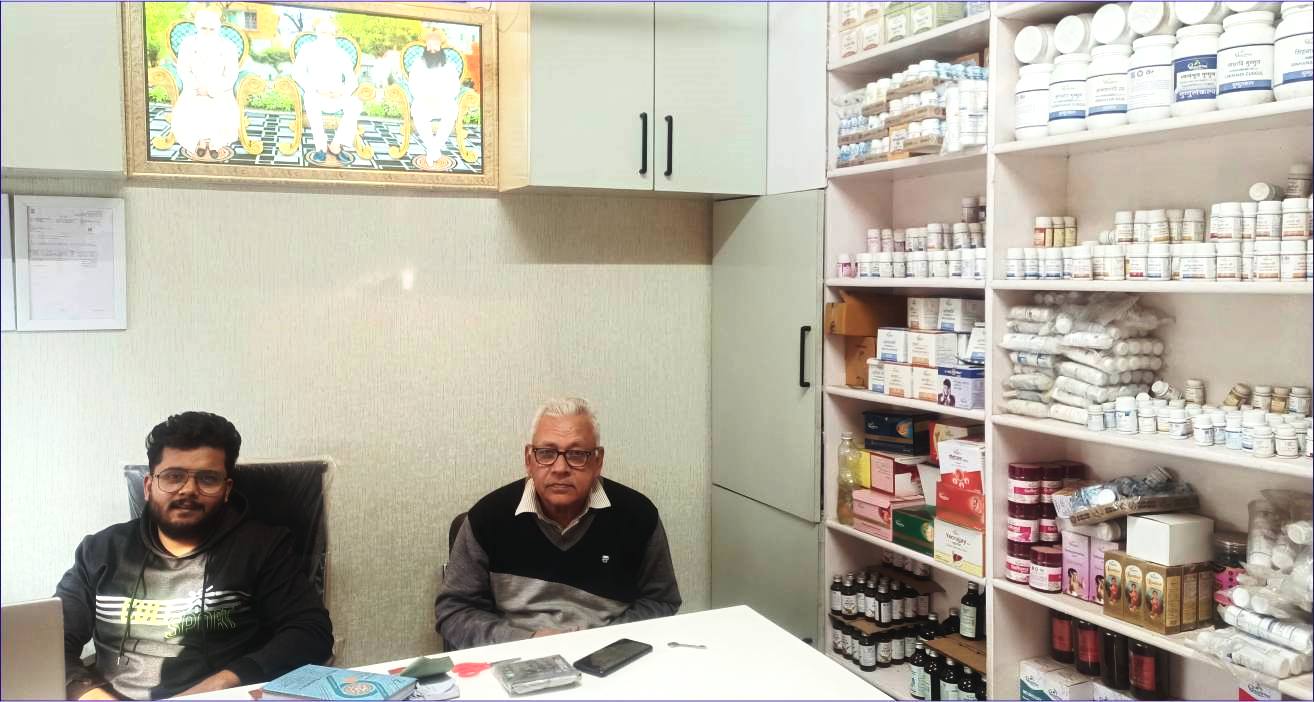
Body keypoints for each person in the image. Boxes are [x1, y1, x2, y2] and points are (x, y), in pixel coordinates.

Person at [56, 412, 333, 700]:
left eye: (208, 478)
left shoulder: (262, 547)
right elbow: (50, 640)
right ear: (149, 486)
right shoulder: (100, 550)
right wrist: (88, 693)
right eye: (173, 476)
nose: (188, 490)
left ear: (226, 490)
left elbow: (311, 631)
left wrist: (224, 683)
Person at [435, 398, 681, 650]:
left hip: (609, 655)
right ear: (529, 459)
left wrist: (604, 641)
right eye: (546, 453)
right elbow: (454, 610)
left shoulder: (638, 516)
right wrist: (525, 641)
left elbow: (662, 600)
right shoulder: (487, 517)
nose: (560, 468)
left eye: (577, 454)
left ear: (597, 461)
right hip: (516, 655)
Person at [170, 9, 239, 160]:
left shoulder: (228, 46)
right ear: (197, 27)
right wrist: (196, 87)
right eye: (204, 28)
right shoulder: (188, 44)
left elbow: (231, 74)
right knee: (194, 105)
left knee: (219, 105)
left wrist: (212, 89)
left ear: (217, 29)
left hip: (221, 88)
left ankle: (215, 143)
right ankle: (200, 141)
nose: (207, 32)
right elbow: (183, 70)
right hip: (194, 87)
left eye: (211, 29)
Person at [292, 17, 362, 163]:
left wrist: (342, 91)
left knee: (355, 104)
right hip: (316, 93)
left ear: (335, 34)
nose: (327, 36)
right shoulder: (307, 50)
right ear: (317, 32)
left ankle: (336, 145)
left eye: (331, 33)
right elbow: (297, 74)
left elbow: (352, 80)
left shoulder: (341, 53)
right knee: (310, 99)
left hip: (338, 95)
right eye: (324, 32)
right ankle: (321, 147)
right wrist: (317, 89)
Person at [408, 31, 463, 166]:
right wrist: (425, 98)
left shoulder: (449, 66)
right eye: (430, 45)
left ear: (440, 47)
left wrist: (441, 98)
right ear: (426, 47)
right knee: (418, 111)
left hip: (444, 102)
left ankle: (432, 150)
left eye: (435, 45)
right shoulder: (418, 64)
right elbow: (413, 85)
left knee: (452, 110)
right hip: (424, 101)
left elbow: (455, 87)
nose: (432, 49)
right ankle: (434, 151)